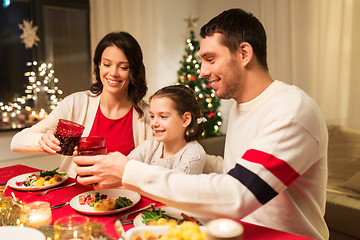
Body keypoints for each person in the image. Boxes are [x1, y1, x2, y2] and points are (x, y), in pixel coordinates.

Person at [74, 8, 329, 240]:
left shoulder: (291, 111)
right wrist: (192, 156)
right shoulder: (240, 106)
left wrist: (128, 171)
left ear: (244, 53)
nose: (203, 71)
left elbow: (238, 194)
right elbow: (242, 167)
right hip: (233, 232)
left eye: (210, 59)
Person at [11, 32, 152, 178]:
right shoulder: (75, 103)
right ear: (98, 65)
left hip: (127, 199)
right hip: (74, 197)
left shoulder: (149, 115)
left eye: (123, 67)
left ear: (134, 71)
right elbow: (17, 142)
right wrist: (44, 142)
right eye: (107, 64)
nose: (113, 73)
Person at [127, 84, 206, 174]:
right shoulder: (151, 145)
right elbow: (125, 167)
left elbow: (175, 187)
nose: (153, 123)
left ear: (185, 119)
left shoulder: (193, 155)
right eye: (152, 116)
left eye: (163, 116)